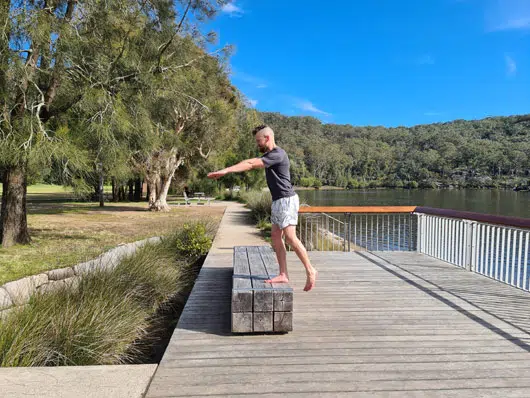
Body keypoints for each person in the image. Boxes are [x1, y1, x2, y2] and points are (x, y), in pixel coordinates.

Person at [207, 125, 318, 291]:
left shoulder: (278, 154)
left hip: (286, 200)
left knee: (290, 237)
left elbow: (251, 164)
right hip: (278, 201)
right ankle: (283, 274)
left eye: (259, 140)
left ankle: (311, 270)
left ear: (267, 138)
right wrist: (227, 170)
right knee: (275, 236)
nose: (257, 144)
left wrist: (227, 171)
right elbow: (249, 161)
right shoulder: (269, 155)